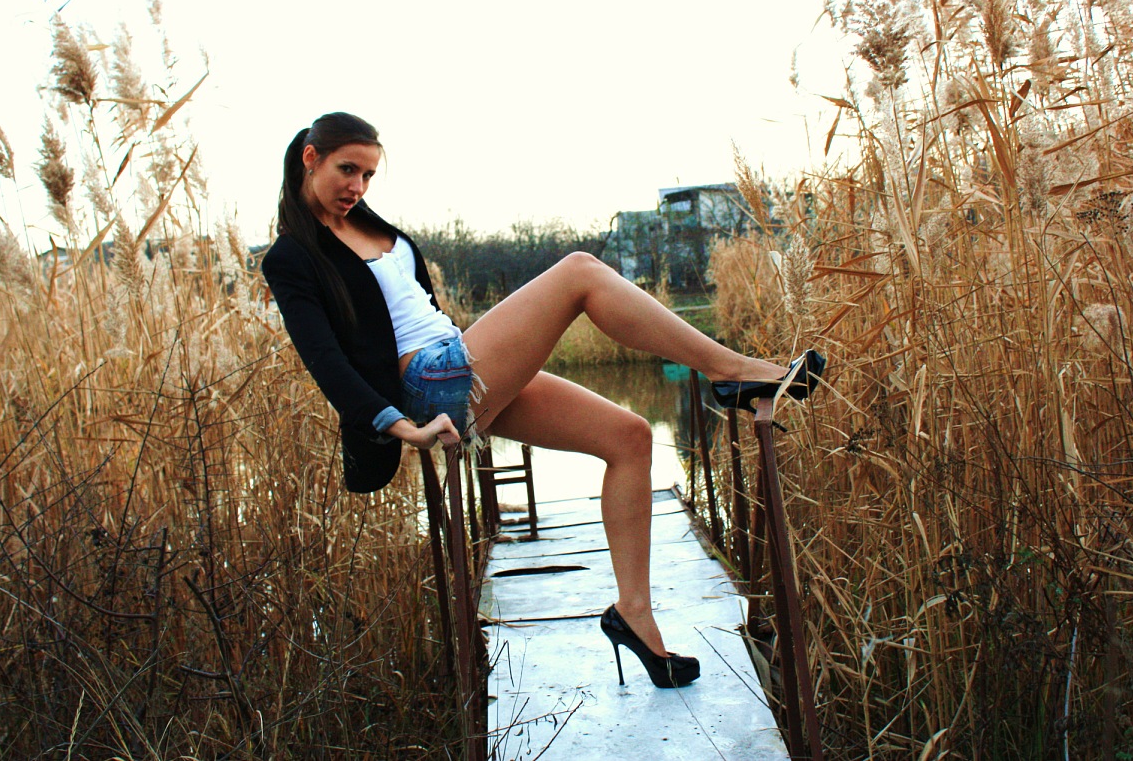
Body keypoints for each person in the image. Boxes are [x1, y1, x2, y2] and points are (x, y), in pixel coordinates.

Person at [261, 111, 824, 689]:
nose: (358, 186)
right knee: (580, 272)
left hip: (459, 360)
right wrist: (401, 427)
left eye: (369, 175)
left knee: (629, 437)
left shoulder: (367, 224)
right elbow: (325, 362)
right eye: (347, 170)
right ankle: (735, 373)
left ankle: (634, 615)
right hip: (430, 383)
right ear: (311, 158)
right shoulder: (292, 256)